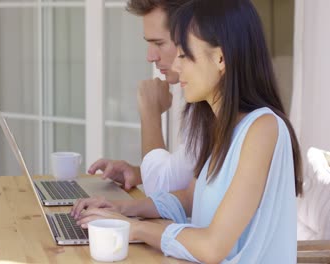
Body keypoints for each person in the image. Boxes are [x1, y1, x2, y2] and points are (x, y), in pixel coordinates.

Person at [72, 0, 303, 262]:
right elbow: (190, 198)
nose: (177, 65)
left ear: (220, 58)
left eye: (184, 55)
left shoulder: (263, 129)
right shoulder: (220, 125)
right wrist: (121, 209)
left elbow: (212, 247)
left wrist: (133, 228)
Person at [88, 0, 194, 195]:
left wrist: (149, 110)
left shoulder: (228, 113)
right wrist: (139, 173)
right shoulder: (200, 104)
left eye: (159, 43)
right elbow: (187, 177)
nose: (151, 57)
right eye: (149, 43)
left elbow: (162, 191)